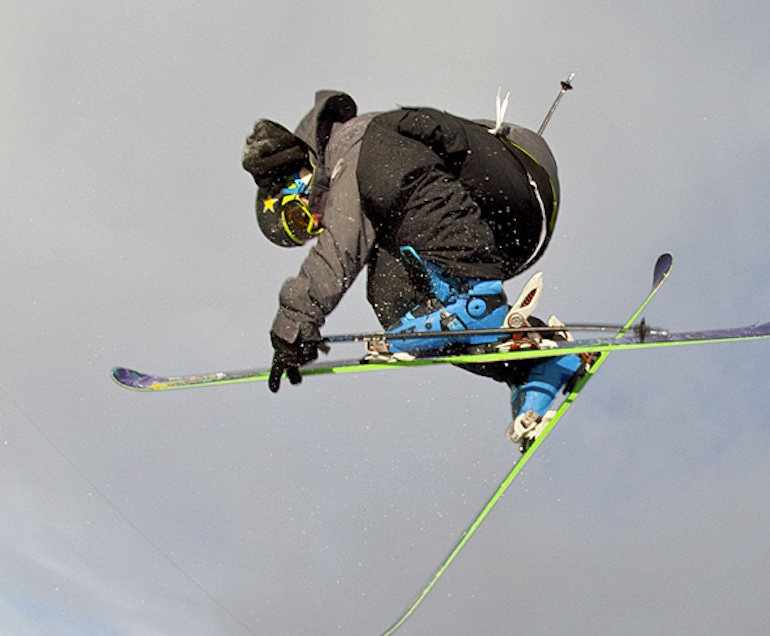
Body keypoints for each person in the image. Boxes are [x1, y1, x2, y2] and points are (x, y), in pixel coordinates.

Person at [241, 89, 584, 445]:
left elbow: (343, 239)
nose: (315, 224)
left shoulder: (355, 139)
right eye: (303, 230)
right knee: (388, 293)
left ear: (305, 172)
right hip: (503, 237)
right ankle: (534, 364)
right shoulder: (363, 184)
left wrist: (296, 320)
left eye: (300, 215)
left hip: (516, 177)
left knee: (379, 158)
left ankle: (474, 302)